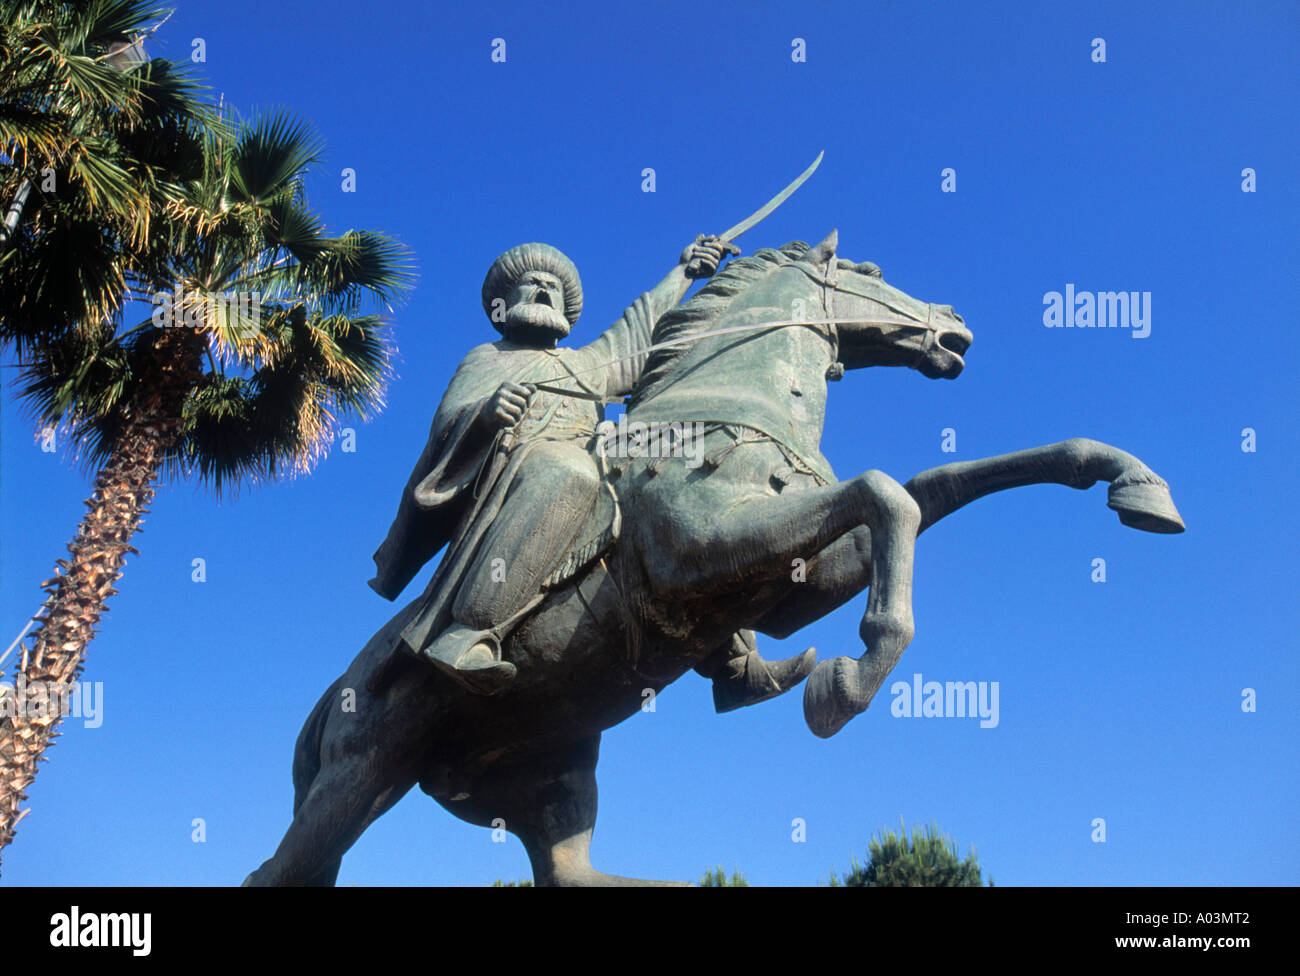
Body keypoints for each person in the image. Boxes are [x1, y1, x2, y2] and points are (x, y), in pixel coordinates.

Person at [370, 237, 814, 708]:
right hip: (526, 472)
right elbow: (448, 423)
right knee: (569, 470)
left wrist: (685, 271)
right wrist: (484, 414)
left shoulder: (586, 366)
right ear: (504, 304)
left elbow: (636, 330)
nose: (543, 290)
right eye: (531, 283)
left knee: (685, 485)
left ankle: (735, 665)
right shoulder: (489, 357)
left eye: (552, 286)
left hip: (600, 459)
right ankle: (469, 631)